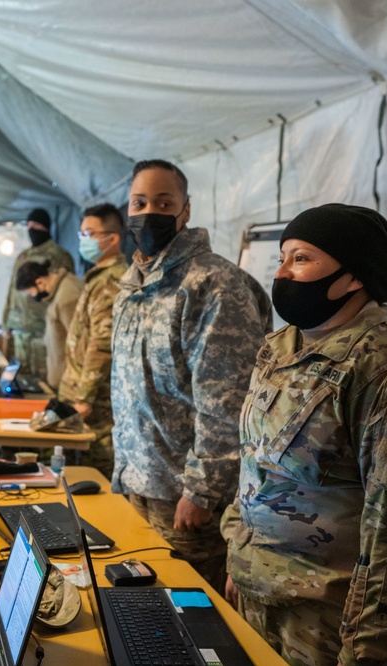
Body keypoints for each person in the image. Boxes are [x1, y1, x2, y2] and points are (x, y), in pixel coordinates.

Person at [220, 204, 387, 666]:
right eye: (283, 256)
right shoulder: (281, 346)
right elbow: (254, 462)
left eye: (301, 258)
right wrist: (240, 560)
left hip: (328, 624)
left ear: (353, 277)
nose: (282, 271)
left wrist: (368, 652)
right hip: (256, 595)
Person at [110, 159, 272, 594]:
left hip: (183, 500)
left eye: (164, 202)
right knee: (141, 619)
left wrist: (202, 491)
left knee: (189, 625)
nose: (150, 212)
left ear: (185, 210)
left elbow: (228, 401)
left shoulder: (214, 285)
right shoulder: (133, 285)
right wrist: (121, 473)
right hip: (136, 485)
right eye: (139, 202)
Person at [57, 203, 127, 478]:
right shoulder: (99, 277)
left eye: (90, 233)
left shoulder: (110, 281)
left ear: (112, 237)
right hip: (84, 395)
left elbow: (102, 342)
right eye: (82, 234)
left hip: (95, 402)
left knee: (98, 471)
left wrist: (83, 398)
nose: (84, 240)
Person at [1, 208, 75, 378]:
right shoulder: (23, 256)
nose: (31, 228)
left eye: (35, 225)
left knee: (43, 377)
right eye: (28, 225)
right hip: (20, 329)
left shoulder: (59, 255)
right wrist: (6, 321)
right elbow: (12, 290)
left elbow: (63, 293)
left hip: (42, 329)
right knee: (21, 376)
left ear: (45, 227)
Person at [14, 259, 84, 389]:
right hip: (63, 381)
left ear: (39, 282)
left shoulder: (67, 296)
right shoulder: (59, 293)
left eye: (30, 292)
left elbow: (79, 342)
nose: (33, 297)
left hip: (71, 385)